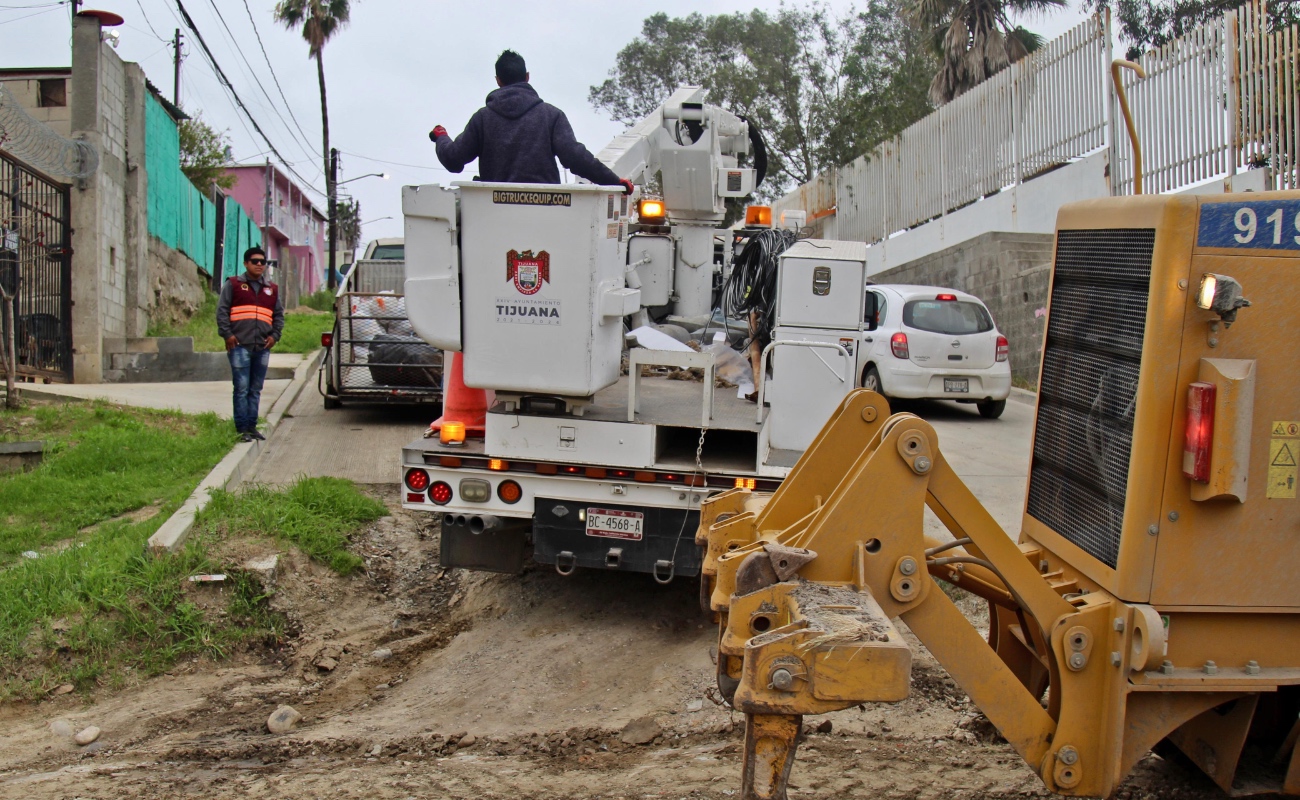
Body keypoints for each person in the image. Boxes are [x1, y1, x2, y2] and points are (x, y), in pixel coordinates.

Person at [430, 49, 634, 192]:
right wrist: (614, 182)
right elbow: (576, 157)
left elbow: (454, 160)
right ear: (527, 77)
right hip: (545, 212)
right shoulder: (551, 116)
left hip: (493, 216)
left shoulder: (482, 119)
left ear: (498, 80)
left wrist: (441, 137)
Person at [216, 247, 284, 442]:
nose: (259, 264)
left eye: (263, 262)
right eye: (255, 261)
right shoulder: (234, 284)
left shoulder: (271, 289)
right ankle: (242, 429)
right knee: (241, 388)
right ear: (246, 263)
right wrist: (227, 335)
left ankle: (252, 427)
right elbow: (222, 311)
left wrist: (275, 336)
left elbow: (279, 315)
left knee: (255, 389)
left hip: (262, 347)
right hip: (239, 346)